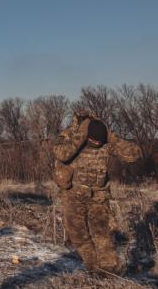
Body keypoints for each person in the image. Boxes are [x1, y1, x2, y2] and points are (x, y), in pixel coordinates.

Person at [53, 110, 141, 275]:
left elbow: (134, 154)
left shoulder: (106, 138)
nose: (96, 144)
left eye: (99, 142)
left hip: (99, 195)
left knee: (102, 232)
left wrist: (112, 138)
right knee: (77, 233)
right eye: (93, 141)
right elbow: (61, 154)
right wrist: (79, 137)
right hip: (74, 193)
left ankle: (110, 270)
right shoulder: (71, 134)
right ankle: (94, 266)